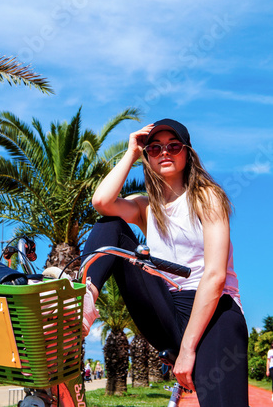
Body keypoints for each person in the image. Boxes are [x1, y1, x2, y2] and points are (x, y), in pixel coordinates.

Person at [81, 118, 249, 407]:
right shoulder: (146, 207)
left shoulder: (207, 197)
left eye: (173, 146)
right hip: (166, 305)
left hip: (213, 310)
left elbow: (215, 276)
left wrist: (187, 350)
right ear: (148, 157)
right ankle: (84, 297)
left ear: (188, 153)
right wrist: (132, 151)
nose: (164, 153)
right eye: (155, 148)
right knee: (110, 223)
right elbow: (102, 202)